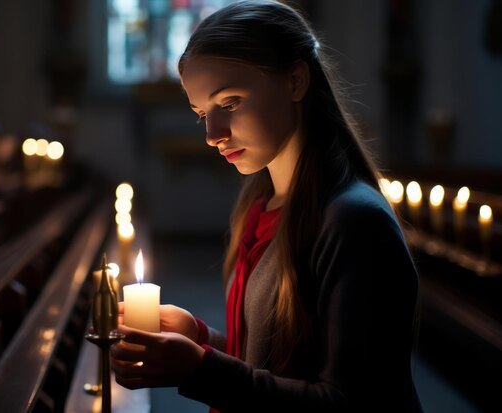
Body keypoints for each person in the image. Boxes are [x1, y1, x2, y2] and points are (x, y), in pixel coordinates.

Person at [111, 1, 423, 411]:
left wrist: (200, 370)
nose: (212, 133)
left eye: (230, 103)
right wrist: (200, 339)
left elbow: (350, 401)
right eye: (202, 113)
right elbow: (275, 364)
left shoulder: (353, 222)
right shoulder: (259, 205)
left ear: (295, 81)